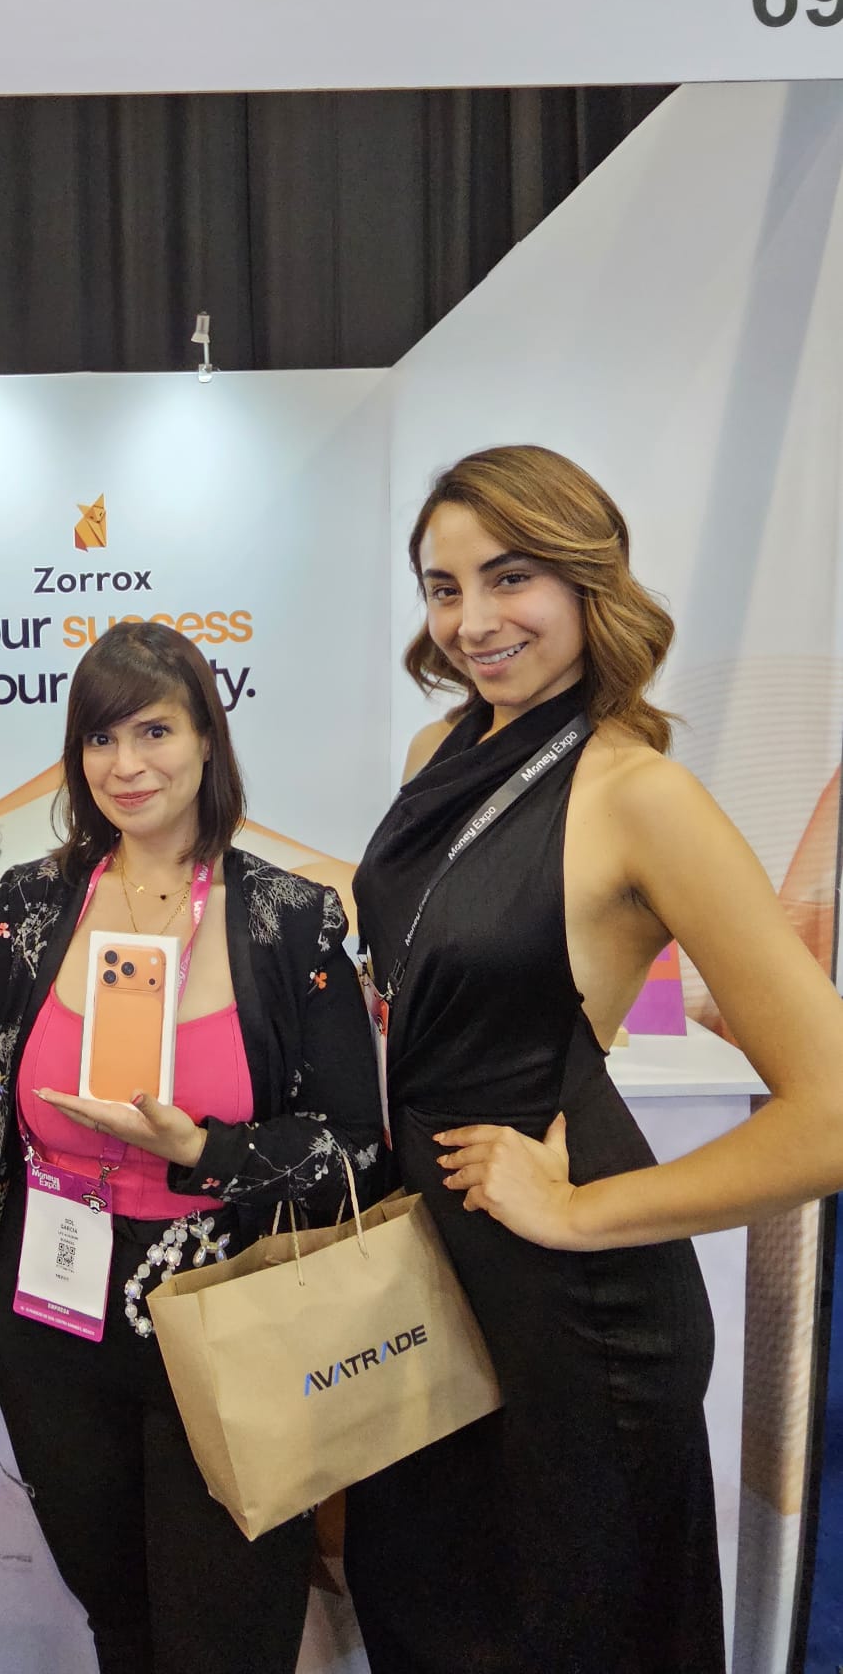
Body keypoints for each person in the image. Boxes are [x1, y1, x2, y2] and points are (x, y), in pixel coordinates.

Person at [342, 445, 843, 1674]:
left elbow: (830, 1113)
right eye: (444, 586)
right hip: (428, 1273)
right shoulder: (437, 751)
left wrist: (578, 1213)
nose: (473, 619)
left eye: (509, 576)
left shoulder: (641, 794)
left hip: (573, 1316)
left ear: (585, 578)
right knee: (415, 1610)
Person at [0, 621, 386, 1674]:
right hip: (52, 1316)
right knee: (118, 1621)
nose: (126, 765)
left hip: (232, 1316)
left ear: (208, 738)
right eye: (100, 738)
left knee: (229, 1635)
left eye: (155, 731)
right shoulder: (28, 905)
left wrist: (207, 1152)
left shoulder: (290, 918)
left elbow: (356, 1149)